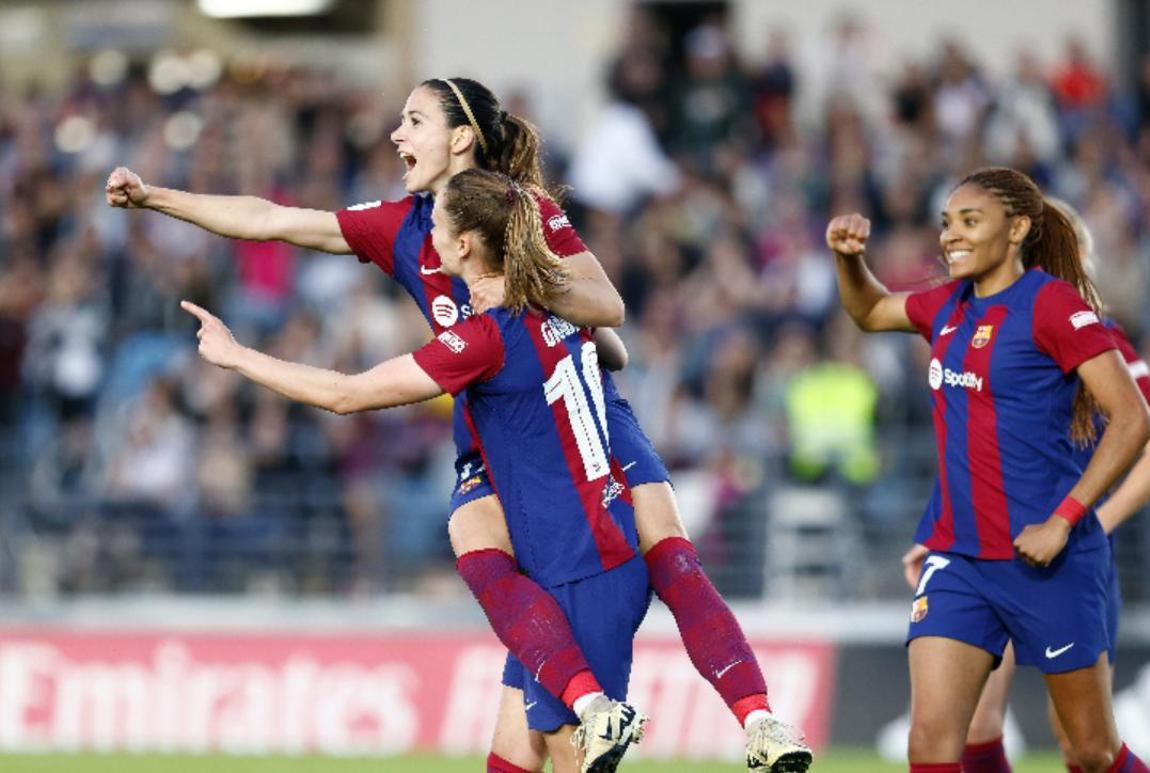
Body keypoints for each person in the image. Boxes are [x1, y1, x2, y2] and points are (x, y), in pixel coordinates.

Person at [107, 77, 810, 773]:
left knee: (659, 555)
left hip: (582, 418)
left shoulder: (526, 215)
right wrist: (156, 198)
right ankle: (624, 701)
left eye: (413, 121)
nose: (396, 135)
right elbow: (273, 219)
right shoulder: (403, 225)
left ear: (462, 138)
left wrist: (525, 289)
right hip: (499, 427)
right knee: (511, 705)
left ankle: (751, 716)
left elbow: (608, 308)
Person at [183, 168, 654, 772]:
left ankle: (592, 705)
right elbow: (611, 344)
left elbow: (347, 395)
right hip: (579, 555)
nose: (425, 231)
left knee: (570, 756)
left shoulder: (485, 337)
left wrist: (236, 356)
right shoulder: (558, 314)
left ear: (465, 245)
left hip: (576, 568)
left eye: (437, 224)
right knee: (512, 753)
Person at [826, 166, 1150, 773]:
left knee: (1090, 749)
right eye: (947, 223)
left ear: (1017, 229)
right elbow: (871, 311)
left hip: (1049, 561)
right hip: (960, 560)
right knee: (930, 743)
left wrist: (1063, 520)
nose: (950, 235)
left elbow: (1134, 421)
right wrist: (850, 260)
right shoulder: (945, 306)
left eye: (970, 222)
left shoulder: (1052, 305)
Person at [899, 201, 1150, 773]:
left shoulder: (1099, 335)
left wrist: (1083, 523)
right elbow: (978, 444)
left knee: (1084, 745)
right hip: (982, 551)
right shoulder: (985, 327)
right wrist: (942, 530)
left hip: (1062, 555)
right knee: (973, 725)